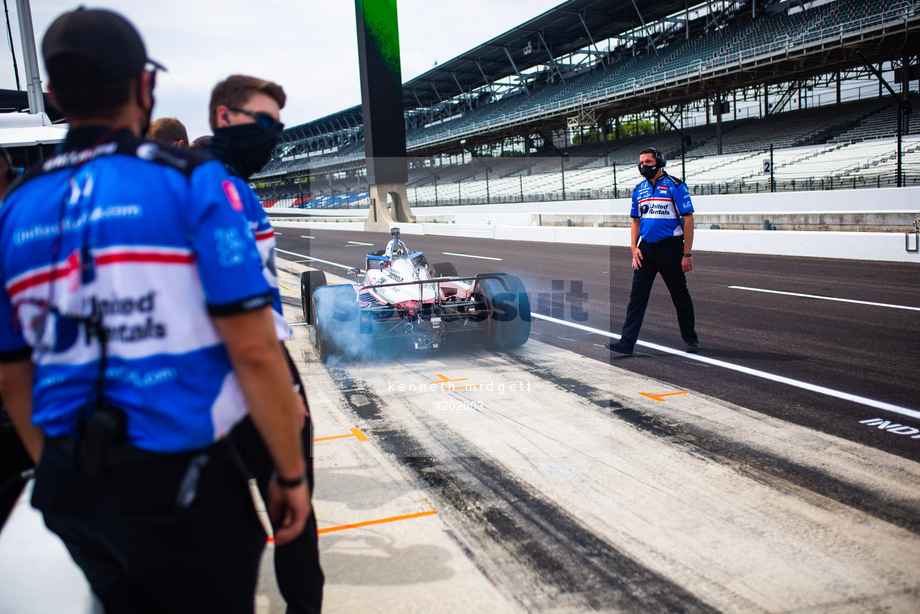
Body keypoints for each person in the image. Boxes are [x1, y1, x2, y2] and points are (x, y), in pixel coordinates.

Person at [0, 8, 309, 613]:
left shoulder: (16, 207)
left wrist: (63, 470)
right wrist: (290, 473)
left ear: (56, 96)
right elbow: (252, 347)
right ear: (144, 87)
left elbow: (13, 375)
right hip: (180, 484)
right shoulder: (193, 181)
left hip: (70, 486)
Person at [207, 74, 324, 614]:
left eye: (279, 125)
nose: (274, 135)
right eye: (264, 122)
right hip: (244, 372)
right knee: (286, 514)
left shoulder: (234, 185)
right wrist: (283, 387)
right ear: (224, 117)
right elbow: (245, 313)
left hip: (228, 375)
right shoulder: (216, 189)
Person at [607, 147, 699, 355]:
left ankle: (690, 339)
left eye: (648, 162)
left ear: (660, 162)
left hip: (671, 247)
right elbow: (635, 221)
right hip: (645, 250)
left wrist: (687, 253)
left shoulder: (676, 186)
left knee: (679, 295)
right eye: (641, 163)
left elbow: (688, 220)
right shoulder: (638, 189)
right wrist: (633, 248)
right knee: (636, 297)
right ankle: (627, 342)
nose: (643, 167)